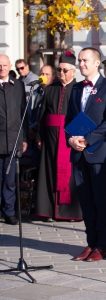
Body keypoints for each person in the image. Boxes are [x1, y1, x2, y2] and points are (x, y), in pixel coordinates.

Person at [65, 47, 106, 262]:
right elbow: (69, 119)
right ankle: (90, 243)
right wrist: (71, 138)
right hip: (78, 153)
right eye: (79, 60)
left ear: (97, 63)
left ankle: (101, 245)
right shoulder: (77, 88)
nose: (81, 64)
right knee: (85, 201)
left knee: (99, 200)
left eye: (85, 60)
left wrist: (88, 139)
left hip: (99, 152)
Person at [35, 51, 82, 222]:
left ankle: (68, 212)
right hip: (50, 139)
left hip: (69, 138)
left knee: (68, 174)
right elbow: (42, 114)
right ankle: (47, 211)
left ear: (73, 71)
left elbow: (83, 115)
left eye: (65, 70)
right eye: (60, 70)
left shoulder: (79, 88)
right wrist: (39, 136)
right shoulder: (51, 89)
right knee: (48, 172)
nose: (61, 73)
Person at [0, 54, 28, 225]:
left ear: (9, 66)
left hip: (13, 139)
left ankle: (9, 211)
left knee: (10, 180)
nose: (1, 68)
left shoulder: (17, 85)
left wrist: (24, 138)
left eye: (4, 65)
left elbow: (23, 113)